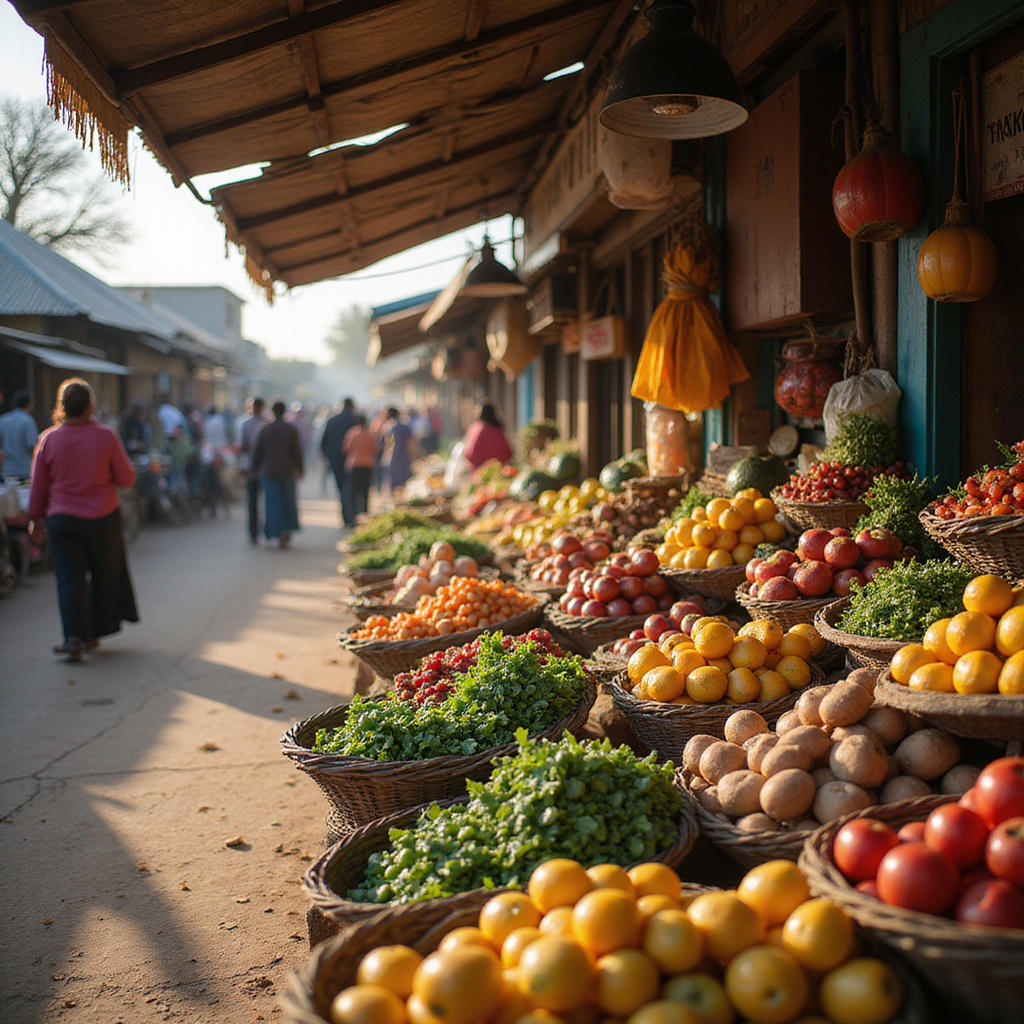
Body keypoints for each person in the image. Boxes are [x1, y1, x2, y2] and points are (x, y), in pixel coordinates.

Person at [26, 378, 139, 662]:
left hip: (62, 519)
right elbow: (126, 479)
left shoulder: (49, 438)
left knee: (69, 578)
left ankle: (74, 636)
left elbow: (38, 485)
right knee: (104, 575)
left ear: (61, 407)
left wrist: (34, 519)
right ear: (90, 405)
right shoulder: (106, 436)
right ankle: (93, 634)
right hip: (102, 519)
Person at [250, 400, 303, 548]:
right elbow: (297, 452)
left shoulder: (266, 429)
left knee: (273, 504)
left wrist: (253, 469)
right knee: (287, 502)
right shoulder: (290, 429)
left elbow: (257, 452)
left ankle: (274, 531)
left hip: (269, 472)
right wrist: (300, 468)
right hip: (287, 471)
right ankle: (285, 531)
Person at [320, 397, 358, 527]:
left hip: (335, 460)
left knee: (341, 488)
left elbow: (323, 443)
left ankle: (345, 516)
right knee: (352, 488)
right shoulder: (355, 420)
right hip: (353, 460)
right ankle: (353, 515)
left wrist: (328, 457)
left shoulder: (332, 421)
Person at [236, 396, 269, 544]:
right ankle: (253, 531)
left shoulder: (266, 424)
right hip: (251, 467)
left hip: (265, 467)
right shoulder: (246, 424)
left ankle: (266, 530)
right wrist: (242, 467)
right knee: (252, 501)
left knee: (267, 501)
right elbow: (242, 447)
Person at [342, 414, 378, 519]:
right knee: (365, 491)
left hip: (354, 464)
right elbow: (374, 449)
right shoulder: (370, 434)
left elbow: (346, 449)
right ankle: (365, 513)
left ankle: (353, 515)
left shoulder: (352, 434)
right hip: (367, 464)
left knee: (353, 491)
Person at [0, 390, 39, 480]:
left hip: (7, 469)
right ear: (29, 404)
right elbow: (32, 445)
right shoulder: (28, 420)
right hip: (24, 469)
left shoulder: (3, 420)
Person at [462, 402, 513, 468]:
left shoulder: (476, 429)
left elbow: (469, 453)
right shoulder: (497, 429)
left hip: (479, 472)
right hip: (498, 471)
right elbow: (507, 453)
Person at [381, 407, 416, 494]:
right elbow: (411, 444)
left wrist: (385, 459)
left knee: (394, 485)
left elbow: (387, 445)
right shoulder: (405, 427)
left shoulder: (389, 428)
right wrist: (413, 456)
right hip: (404, 457)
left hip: (394, 459)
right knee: (405, 484)